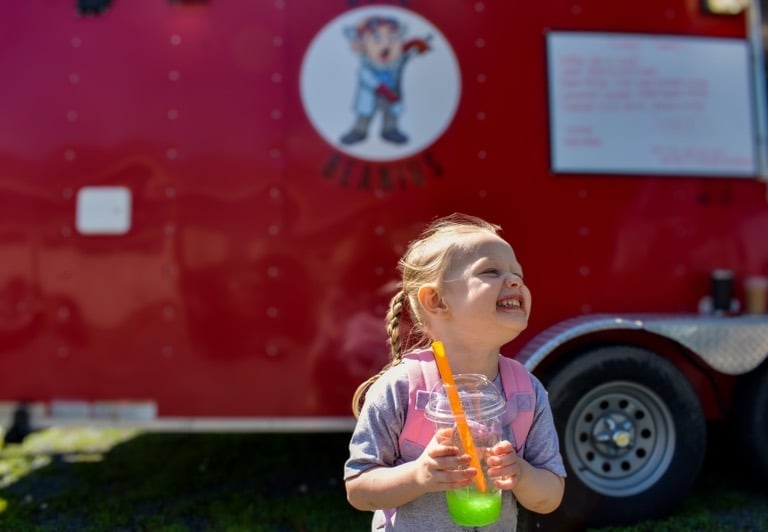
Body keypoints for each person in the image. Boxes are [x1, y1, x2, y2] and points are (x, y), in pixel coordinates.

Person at [344, 213, 566, 531]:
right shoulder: (402, 388)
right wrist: (419, 475)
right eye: (491, 271)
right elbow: (359, 490)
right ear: (436, 301)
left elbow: (550, 496)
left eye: (518, 274)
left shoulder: (525, 392)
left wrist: (521, 473)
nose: (515, 281)